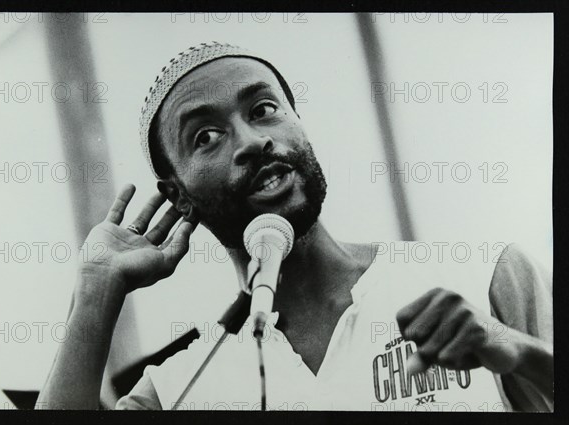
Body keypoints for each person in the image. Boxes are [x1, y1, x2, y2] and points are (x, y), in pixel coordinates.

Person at [36, 42, 553, 411]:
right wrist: (97, 291)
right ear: (178, 196)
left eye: (264, 109)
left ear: (298, 124)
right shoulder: (177, 389)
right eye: (207, 136)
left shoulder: (485, 275)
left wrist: (519, 351)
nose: (251, 141)